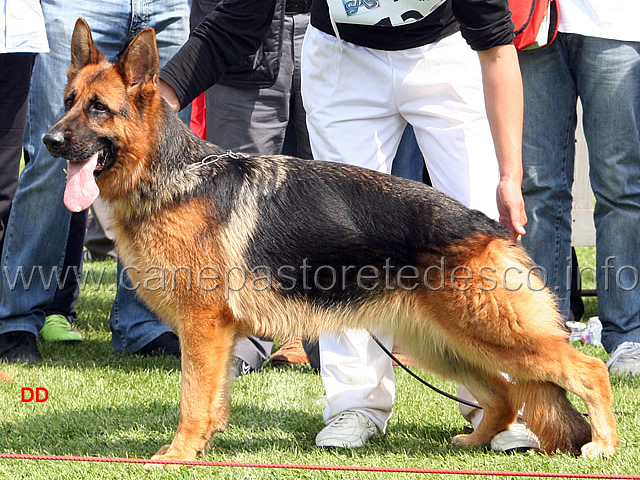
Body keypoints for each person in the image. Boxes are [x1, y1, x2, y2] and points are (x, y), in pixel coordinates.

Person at [158, 0, 530, 450]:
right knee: (337, 237)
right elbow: (241, 15)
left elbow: (495, 45)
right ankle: (356, 403)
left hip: (446, 53)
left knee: (472, 232)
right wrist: (159, 95)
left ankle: (499, 409)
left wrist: (509, 175)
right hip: (341, 58)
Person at [0, 0, 191, 362]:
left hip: (170, 6)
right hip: (80, 3)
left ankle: (144, 325)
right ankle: (16, 321)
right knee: (49, 160)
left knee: (156, 168)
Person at [518, 0, 640, 375]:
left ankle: (627, 336)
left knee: (621, 187)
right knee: (537, 186)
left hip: (615, 22)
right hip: (532, 21)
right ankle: (544, 334)